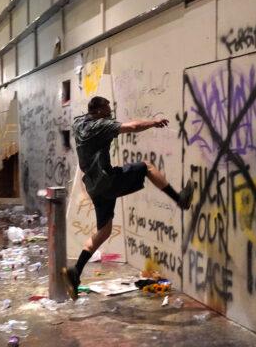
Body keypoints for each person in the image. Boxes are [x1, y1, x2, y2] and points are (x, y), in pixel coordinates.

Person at [62, 96, 195, 300]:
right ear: (97, 111)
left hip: (94, 186)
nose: (109, 114)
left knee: (104, 231)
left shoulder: (79, 122)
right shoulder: (100, 125)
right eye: (106, 110)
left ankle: (76, 271)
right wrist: (154, 122)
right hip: (107, 181)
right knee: (147, 167)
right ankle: (180, 199)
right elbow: (132, 127)